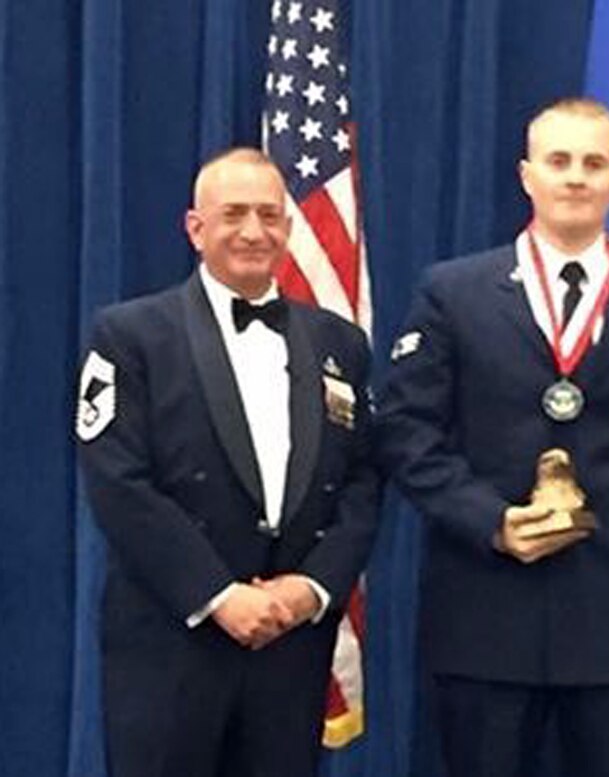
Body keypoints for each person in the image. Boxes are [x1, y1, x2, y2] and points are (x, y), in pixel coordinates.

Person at [376, 98, 609, 777]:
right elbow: (406, 432)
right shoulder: (453, 292)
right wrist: (492, 521)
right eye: (558, 161)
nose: (575, 177)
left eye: (594, 163)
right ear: (527, 174)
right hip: (485, 612)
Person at [75, 148, 382, 777]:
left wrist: (311, 588)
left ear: (288, 227)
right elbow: (119, 483)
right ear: (196, 228)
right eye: (233, 214)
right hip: (172, 643)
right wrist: (217, 595)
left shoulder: (341, 344)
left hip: (289, 647)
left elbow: (362, 480)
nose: (253, 231)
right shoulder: (130, 336)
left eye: (269, 215)